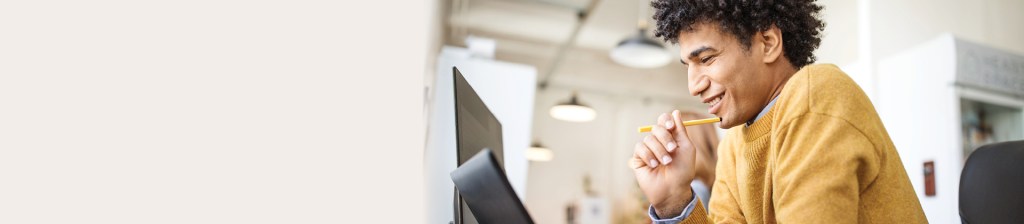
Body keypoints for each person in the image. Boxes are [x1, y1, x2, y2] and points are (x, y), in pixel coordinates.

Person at [628, 0, 927, 223]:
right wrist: (674, 202)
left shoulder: (815, 96)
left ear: (768, 43)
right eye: (688, 66)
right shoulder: (734, 143)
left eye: (706, 59)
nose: (693, 86)